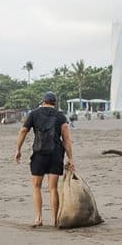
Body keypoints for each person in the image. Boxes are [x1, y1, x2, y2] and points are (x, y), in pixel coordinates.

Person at [14, 91, 74, 228]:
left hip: (39, 154)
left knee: (36, 187)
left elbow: (23, 131)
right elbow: (66, 139)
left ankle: (38, 218)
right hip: (56, 154)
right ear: (55, 103)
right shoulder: (60, 116)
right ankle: (55, 220)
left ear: (43, 101)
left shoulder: (34, 114)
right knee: (53, 188)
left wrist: (18, 149)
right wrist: (70, 158)